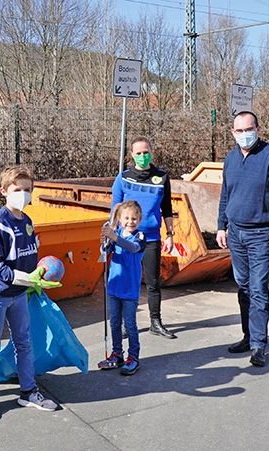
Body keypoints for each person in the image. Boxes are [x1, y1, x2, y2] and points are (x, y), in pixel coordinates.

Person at [0, 165, 60, 421]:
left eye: (27, 190)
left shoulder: (27, 220)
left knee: (24, 342)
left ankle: (29, 392)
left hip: (20, 294)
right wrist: (22, 277)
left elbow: (29, 255)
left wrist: (38, 275)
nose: (22, 194)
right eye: (17, 189)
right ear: (3, 191)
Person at [216, 111, 269, 367]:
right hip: (236, 233)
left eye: (248, 129)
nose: (243, 135)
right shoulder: (230, 158)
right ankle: (248, 336)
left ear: (257, 129)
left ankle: (259, 345)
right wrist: (221, 226)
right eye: (238, 131)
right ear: (232, 133)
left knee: (258, 288)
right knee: (243, 285)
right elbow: (225, 194)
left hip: (261, 233)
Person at [111, 137, 176, 339]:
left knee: (153, 281)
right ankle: (124, 324)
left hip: (151, 238)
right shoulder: (123, 178)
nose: (142, 156)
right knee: (126, 279)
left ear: (151, 152)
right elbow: (115, 207)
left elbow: (167, 208)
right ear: (131, 155)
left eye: (145, 152)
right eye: (138, 153)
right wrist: (111, 235)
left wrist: (170, 234)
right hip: (126, 239)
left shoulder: (162, 177)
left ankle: (155, 322)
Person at [98, 200, 146, 375]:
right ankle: (117, 353)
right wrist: (105, 242)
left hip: (130, 290)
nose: (130, 221)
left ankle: (133, 357)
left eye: (134, 218)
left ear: (139, 219)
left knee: (130, 324)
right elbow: (104, 253)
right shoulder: (116, 233)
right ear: (119, 218)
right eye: (126, 218)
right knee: (115, 323)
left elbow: (133, 248)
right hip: (114, 288)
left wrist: (114, 237)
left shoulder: (140, 237)